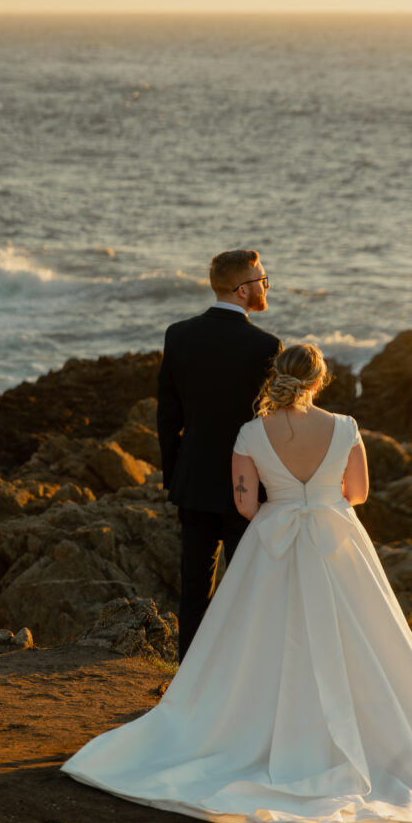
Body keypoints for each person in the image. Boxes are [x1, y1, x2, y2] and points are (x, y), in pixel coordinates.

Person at [62, 343, 412, 823]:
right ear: (318, 380)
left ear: (277, 378)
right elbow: (359, 494)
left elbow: (244, 506)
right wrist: (320, 499)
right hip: (338, 540)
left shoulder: (249, 433)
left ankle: (252, 735)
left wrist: (284, 504)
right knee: (364, 639)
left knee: (260, 642)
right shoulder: (346, 427)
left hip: (273, 542)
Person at [156, 249, 281, 661]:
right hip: (248, 488)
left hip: (193, 482)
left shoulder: (178, 335)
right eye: (263, 279)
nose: (266, 286)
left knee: (193, 591)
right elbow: (272, 424)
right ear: (243, 290)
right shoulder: (265, 346)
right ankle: (240, 680)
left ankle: (187, 681)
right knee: (248, 591)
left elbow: (167, 415)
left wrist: (174, 476)